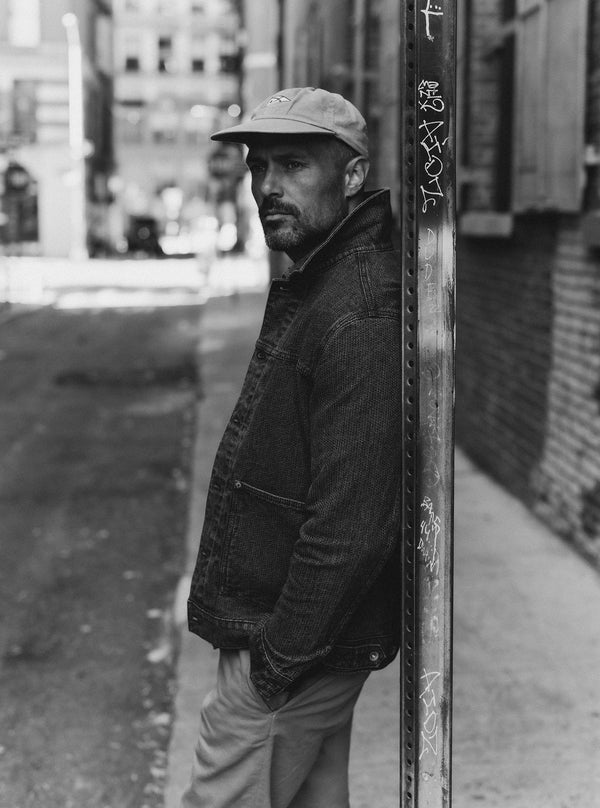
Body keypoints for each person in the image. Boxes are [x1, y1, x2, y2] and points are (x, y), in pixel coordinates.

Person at [181, 86, 403, 808]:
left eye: (294, 164)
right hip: (305, 646)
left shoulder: (355, 310)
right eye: (259, 165)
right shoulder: (323, 281)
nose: (267, 187)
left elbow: (354, 522)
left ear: (352, 175)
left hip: (291, 654)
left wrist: (273, 668)